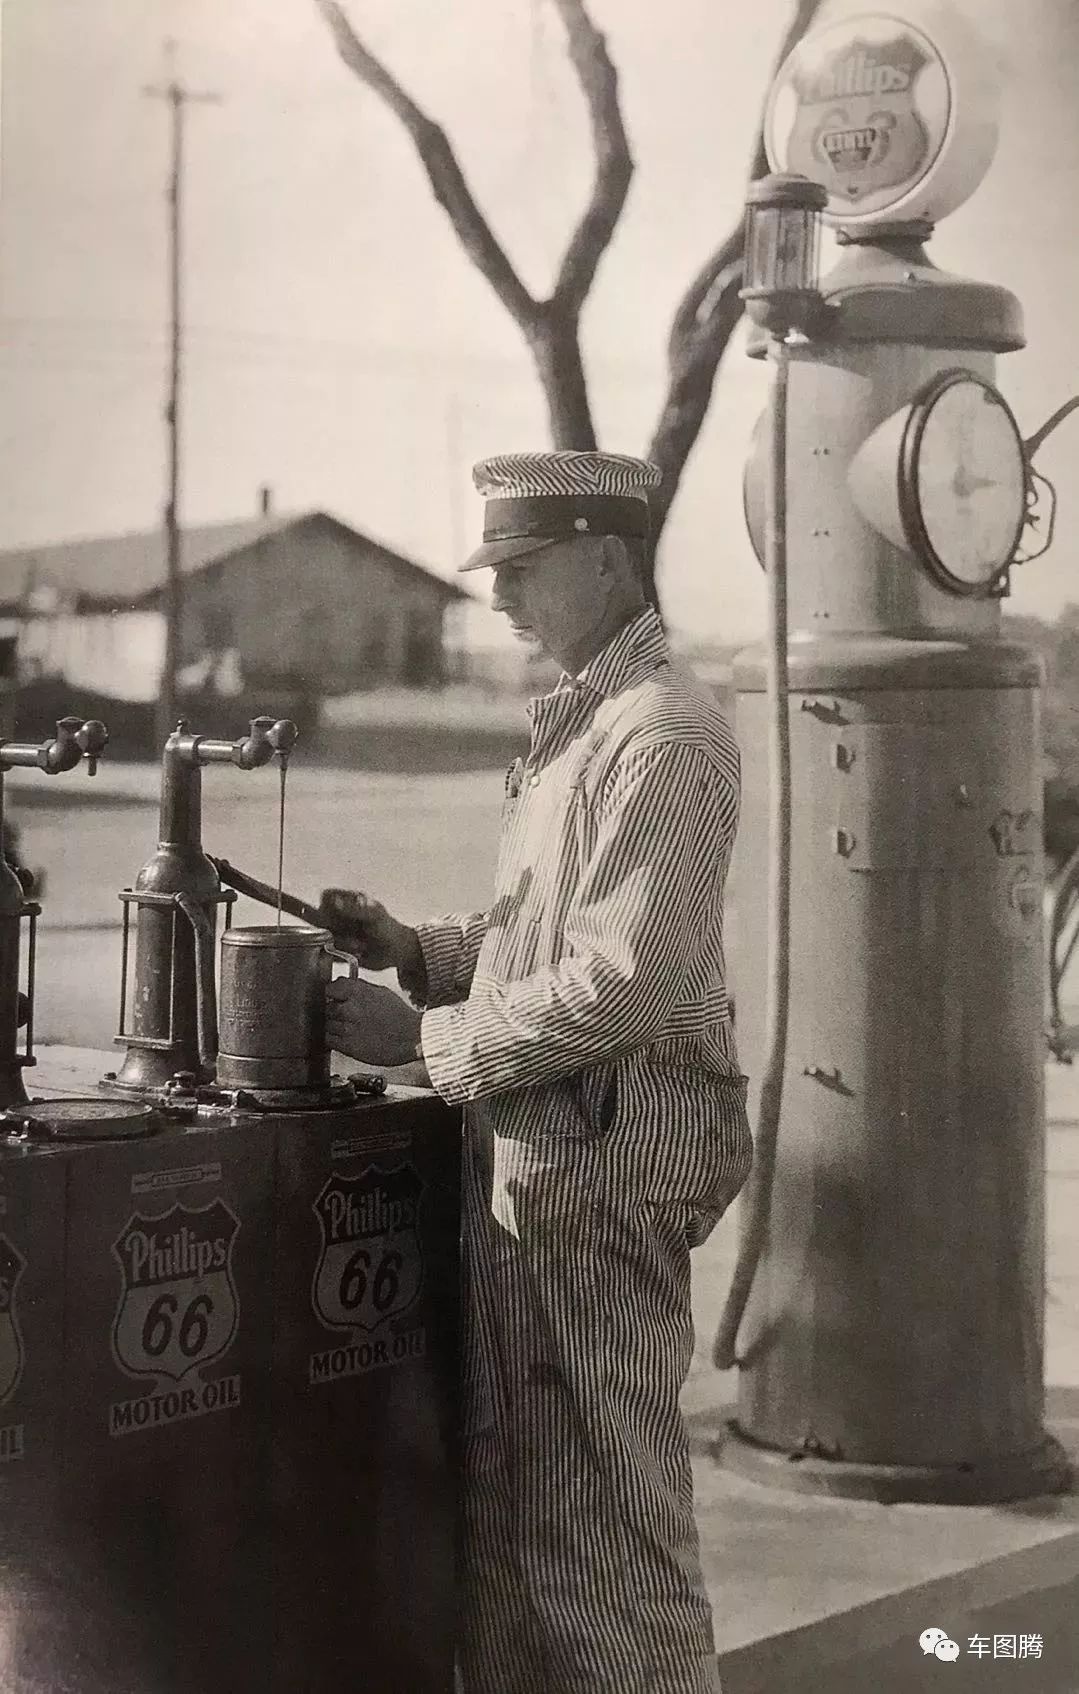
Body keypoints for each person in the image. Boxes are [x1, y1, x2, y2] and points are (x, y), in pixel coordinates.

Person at [325, 450, 751, 1694]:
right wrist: (423, 949)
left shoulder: (660, 734)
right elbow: (546, 940)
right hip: (541, 1168)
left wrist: (422, 1042)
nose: (500, 594)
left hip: (603, 1181)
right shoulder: (579, 723)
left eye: (522, 566)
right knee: (515, 1534)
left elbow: (622, 982)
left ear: (608, 558)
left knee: (607, 1543)